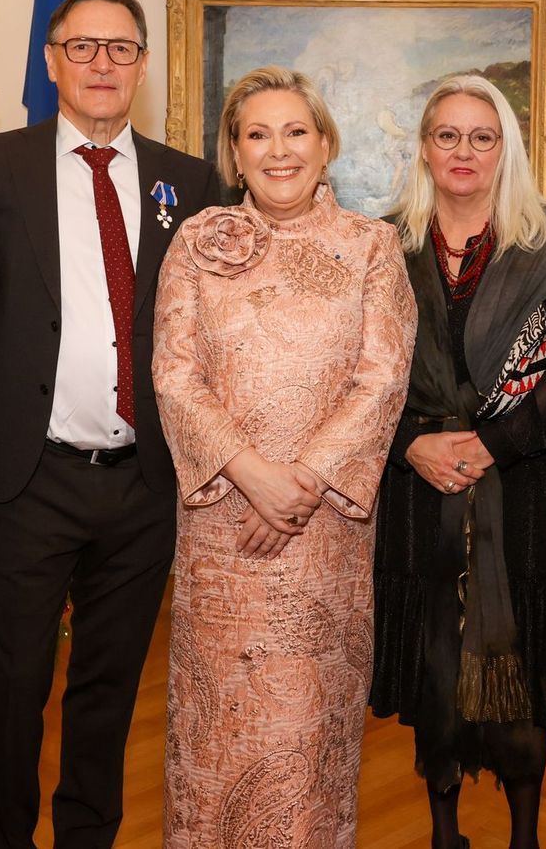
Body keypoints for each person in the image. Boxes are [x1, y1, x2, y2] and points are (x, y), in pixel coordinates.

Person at [0, 0, 220, 848]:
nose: (101, 63)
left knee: (110, 688)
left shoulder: (191, 183)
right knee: (14, 681)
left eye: (120, 48)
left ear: (143, 65)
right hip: (27, 475)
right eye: (83, 46)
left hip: (144, 482)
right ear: (52, 61)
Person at [152, 65, 416, 848]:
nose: (279, 151)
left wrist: (298, 486)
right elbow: (175, 374)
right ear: (234, 154)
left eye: (296, 131)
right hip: (222, 536)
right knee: (215, 733)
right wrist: (253, 475)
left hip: (323, 534)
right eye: (257, 135)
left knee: (309, 733)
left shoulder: (372, 246)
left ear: (325, 144)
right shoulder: (195, 243)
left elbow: (382, 376)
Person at [369, 75, 546, 849]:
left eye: (482, 136)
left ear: (506, 150)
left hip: (524, 481)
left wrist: (491, 445)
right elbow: (359, 373)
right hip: (418, 481)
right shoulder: (385, 244)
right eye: (447, 135)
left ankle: (524, 836)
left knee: (521, 668)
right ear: (424, 149)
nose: (463, 150)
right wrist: (411, 443)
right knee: (433, 660)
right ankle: (443, 833)